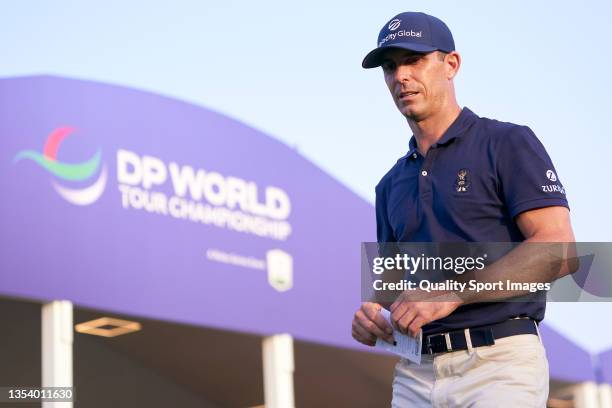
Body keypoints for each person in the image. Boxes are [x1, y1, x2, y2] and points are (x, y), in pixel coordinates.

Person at [351, 11, 576, 407]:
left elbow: (559, 249)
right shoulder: (389, 184)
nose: (400, 75)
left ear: (451, 64)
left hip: (498, 363)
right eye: (390, 66)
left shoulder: (507, 142)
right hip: (415, 371)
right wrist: (372, 316)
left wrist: (452, 293)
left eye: (414, 60)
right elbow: (388, 291)